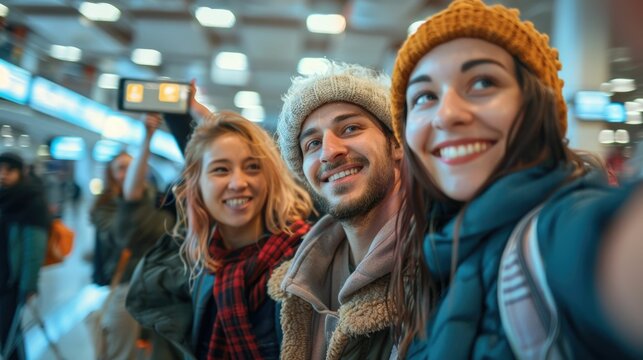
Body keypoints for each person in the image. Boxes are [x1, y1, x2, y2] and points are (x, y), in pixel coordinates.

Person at [389, 0, 643, 358]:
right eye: (424, 96)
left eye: (482, 82)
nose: (446, 115)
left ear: (537, 106)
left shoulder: (556, 233)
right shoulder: (428, 255)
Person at [267, 61, 403, 359]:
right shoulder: (296, 285)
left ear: (396, 145)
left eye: (351, 128)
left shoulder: (440, 266)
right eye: (313, 143)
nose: (329, 152)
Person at [167, 111, 313, 359]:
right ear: (196, 185)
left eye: (253, 167)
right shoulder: (203, 268)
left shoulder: (306, 260)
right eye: (221, 170)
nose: (238, 183)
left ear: (269, 179)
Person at [91, 114, 177, 360]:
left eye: (131, 166)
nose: (126, 172)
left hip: (158, 283)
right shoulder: (105, 206)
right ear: (111, 174)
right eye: (120, 168)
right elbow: (123, 237)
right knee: (123, 348)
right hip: (125, 285)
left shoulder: (158, 200)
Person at [0, 152, 50, 360]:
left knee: (7, 334)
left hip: (11, 282)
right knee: (9, 333)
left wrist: (28, 285)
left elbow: (34, 249)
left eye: (9, 170)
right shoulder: (3, 198)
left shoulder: (31, 201)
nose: (3, 174)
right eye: (0, 169)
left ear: (20, 173)